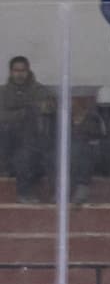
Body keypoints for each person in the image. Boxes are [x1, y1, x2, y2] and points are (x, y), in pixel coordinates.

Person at [1, 56, 56, 203]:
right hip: (8, 145)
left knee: (27, 154)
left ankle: (31, 193)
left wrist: (40, 108)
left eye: (23, 70)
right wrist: (25, 111)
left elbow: (49, 107)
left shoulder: (39, 90)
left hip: (34, 143)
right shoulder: (3, 92)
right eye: (16, 70)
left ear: (28, 70)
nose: (19, 74)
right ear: (11, 72)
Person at [71, 85, 110, 205]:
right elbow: (83, 135)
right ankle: (82, 187)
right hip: (98, 160)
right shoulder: (92, 116)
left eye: (109, 107)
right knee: (86, 148)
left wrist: (103, 140)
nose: (106, 110)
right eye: (103, 107)